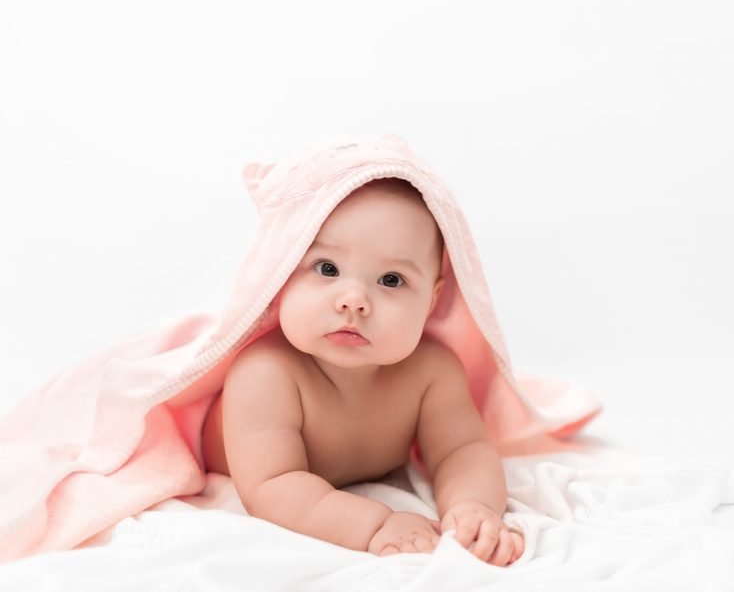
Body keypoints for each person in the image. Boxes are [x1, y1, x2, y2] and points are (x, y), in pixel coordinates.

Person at [201, 177, 524, 566]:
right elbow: (272, 486)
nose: (354, 301)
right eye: (327, 268)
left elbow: (463, 449)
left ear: (431, 300)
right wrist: (375, 524)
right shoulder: (266, 375)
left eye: (391, 280)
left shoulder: (431, 371)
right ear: (280, 276)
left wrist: (474, 506)